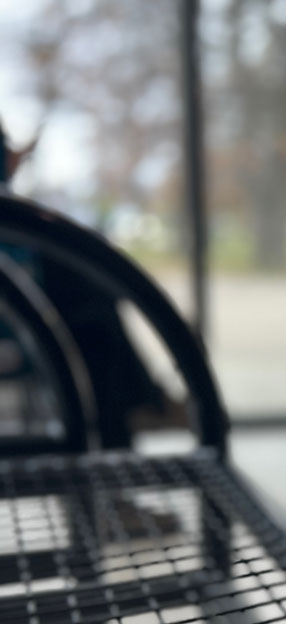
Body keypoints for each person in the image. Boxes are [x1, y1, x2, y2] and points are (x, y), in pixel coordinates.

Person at [0, 118, 186, 447]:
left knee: (92, 298)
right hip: (13, 296)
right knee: (93, 320)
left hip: (15, 283)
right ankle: (137, 413)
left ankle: (141, 408)